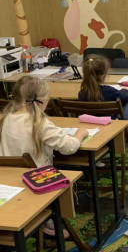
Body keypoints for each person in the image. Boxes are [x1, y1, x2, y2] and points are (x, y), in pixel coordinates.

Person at [0, 76, 88, 237]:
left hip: (7, 180)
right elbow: (69, 147)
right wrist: (80, 134)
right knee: (67, 178)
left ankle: (41, 219)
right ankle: (47, 218)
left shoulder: (4, 118)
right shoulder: (40, 123)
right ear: (40, 101)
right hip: (37, 182)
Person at [78, 55, 128, 123]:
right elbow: (124, 97)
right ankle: (123, 126)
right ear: (102, 77)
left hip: (90, 123)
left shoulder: (82, 93)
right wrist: (124, 90)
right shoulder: (109, 91)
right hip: (111, 123)